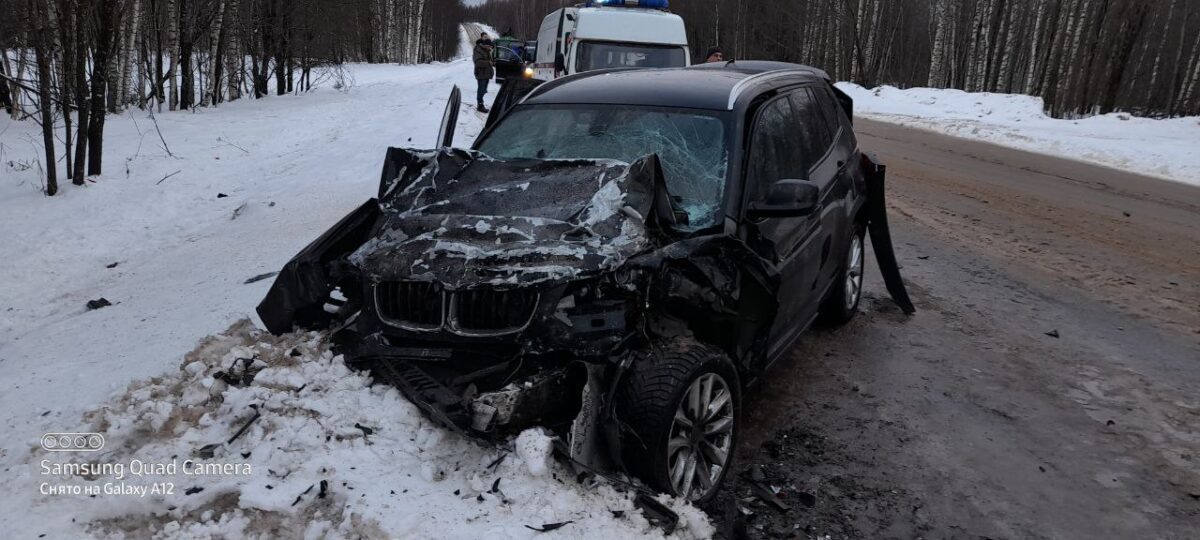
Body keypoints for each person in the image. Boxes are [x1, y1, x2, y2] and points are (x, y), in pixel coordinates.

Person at [473, 35, 495, 113]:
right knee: (481, 89)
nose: (490, 48)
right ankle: (480, 105)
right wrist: (489, 63)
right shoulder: (478, 50)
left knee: (484, 90)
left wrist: (493, 63)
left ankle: (480, 102)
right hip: (481, 73)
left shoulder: (487, 51)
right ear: (486, 45)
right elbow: (478, 63)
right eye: (489, 47)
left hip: (487, 73)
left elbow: (489, 60)